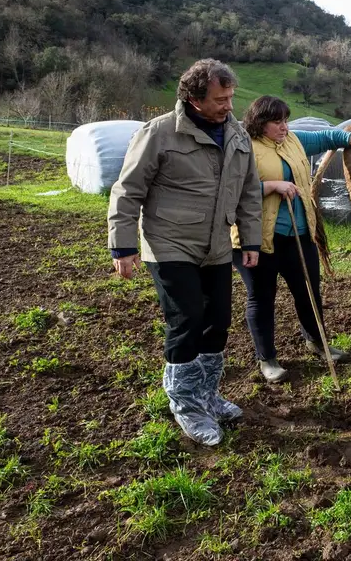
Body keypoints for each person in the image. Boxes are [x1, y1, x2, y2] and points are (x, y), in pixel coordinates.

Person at [107, 59, 263, 446]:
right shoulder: (159, 133)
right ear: (193, 99)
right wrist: (123, 244)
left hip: (216, 244)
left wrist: (252, 240)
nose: (228, 105)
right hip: (168, 243)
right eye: (219, 99)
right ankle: (186, 405)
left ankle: (206, 395)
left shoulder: (238, 135)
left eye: (230, 97)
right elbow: (128, 190)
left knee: (218, 321)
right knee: (188, 318)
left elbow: (248, 192)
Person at [231, 95, 351, 382]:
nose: (284, 126)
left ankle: (317, 342)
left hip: (299, 233)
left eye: (285, 120)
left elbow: (328, 137)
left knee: (308, 292)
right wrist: (270, 186)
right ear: (259, 123)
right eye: (276, 121)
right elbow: (229, 189)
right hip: (257, 237)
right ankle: (267, 359)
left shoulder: (293, 140)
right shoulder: (243, 147)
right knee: (262, 298)